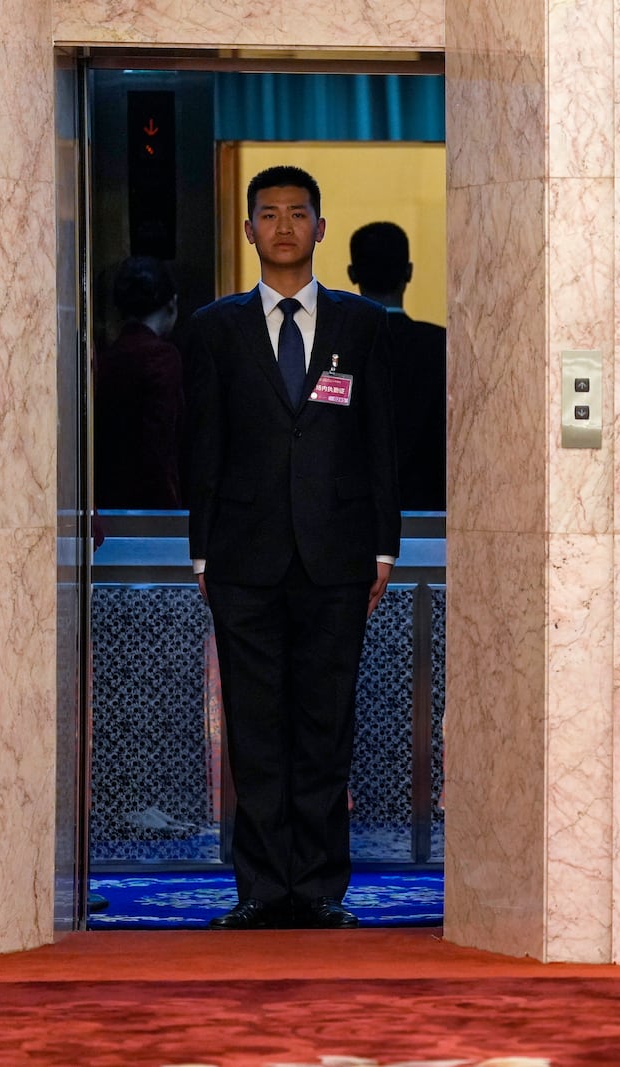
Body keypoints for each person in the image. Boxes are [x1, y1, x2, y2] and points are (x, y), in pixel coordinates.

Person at [185, 165, 400, 929]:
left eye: (297, 213)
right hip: (241, 558)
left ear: (320, 227)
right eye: (267, 213)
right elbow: (201, 443)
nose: (282, 225)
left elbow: (381, 440)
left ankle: (317, 888)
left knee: (324, 723)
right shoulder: (214, 327)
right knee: (255, 725)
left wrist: (385, 545)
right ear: (248, 231)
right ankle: (261, 890)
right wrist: (201, 552)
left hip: (339, 557)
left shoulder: (362, 326)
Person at [348, 221, 447, 511]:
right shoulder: (441, 345)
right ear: (409, 272)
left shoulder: (330, 347)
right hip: (431, 512)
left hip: (353, 516)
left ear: (352, 274)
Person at [94, 256, 185, 509]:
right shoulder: (162, 358)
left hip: (106, 497)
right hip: (152, 503)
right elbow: (161, 443)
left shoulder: (106, 357)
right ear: (172, 304)